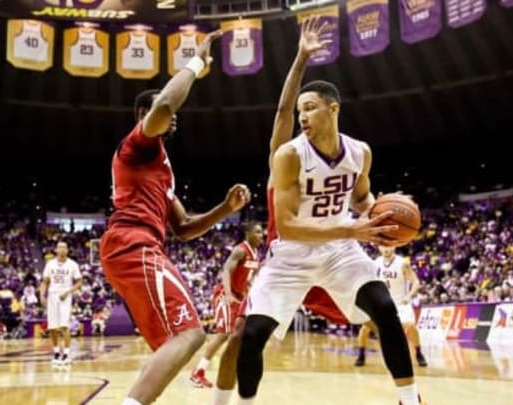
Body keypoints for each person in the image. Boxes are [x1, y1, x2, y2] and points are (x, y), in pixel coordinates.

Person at [235, 21, 424, 405]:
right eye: (300, 110)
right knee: (252, 337)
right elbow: (287, 226)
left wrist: (380, 213)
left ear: (332, 108)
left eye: (311, 108)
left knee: (386, 310)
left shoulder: (359, 152)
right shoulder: (289, 155)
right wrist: (302, 57)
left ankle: (410, 398)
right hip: (290, 256)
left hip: (340, 253)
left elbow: (361, 199)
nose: (302, 117)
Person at [99, 30, 253, 405]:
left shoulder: (162, 168)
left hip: (137, 246)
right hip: (134, 243)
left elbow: (183, 228)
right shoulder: (137, 144)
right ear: (143, 116)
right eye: (165, 114)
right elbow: (166, 104)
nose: (175, 118)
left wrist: (223, 210)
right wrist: (197, 63)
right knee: (192, 335)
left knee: (175, 341)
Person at [208, 17, 349, 405]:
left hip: (325, 257)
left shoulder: (336, 164)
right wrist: (301, 58)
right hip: (284, 262)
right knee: (242, 337)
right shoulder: (282, 161)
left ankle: (409, 388)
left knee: (381, 313)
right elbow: (285, 111)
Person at [190, 222, 263, 388]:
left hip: (239, 296)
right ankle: (197, 372)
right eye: (258, 232)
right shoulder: (240, 250)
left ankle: (235, 369)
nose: (261, 235)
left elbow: (248, 277)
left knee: (239, 334)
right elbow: (226, 270)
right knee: (223, 333)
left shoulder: (256, 253)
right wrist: (229, 294)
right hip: (225, 295)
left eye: (261, 232)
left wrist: (249, 289)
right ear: (248, 233)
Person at [355, 245, 427, 368]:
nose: (386, 249)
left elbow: (416, 282)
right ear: (379, 248)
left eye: (389, 246)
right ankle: (361, 355)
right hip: (381, 302)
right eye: (383, 247)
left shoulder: (402, 263)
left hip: (400, 302)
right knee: (365, 327)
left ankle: (419, 353)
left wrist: (409, 296)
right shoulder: (375, 263)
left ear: (394, 247)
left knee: (410, 325)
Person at [39, 241, 82, 367]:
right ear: (56, 250)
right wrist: (42, 295)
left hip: (65, 296)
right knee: (52, 327)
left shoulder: (73, 264)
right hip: (52, 295)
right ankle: (57, 352)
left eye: (64, 247)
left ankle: (67, 353)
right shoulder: (50, 264)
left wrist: (68, 292)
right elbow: (45, 282)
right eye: (60, 247)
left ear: (67, 250)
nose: (62, 249)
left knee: (64, 326)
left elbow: (79, 282)